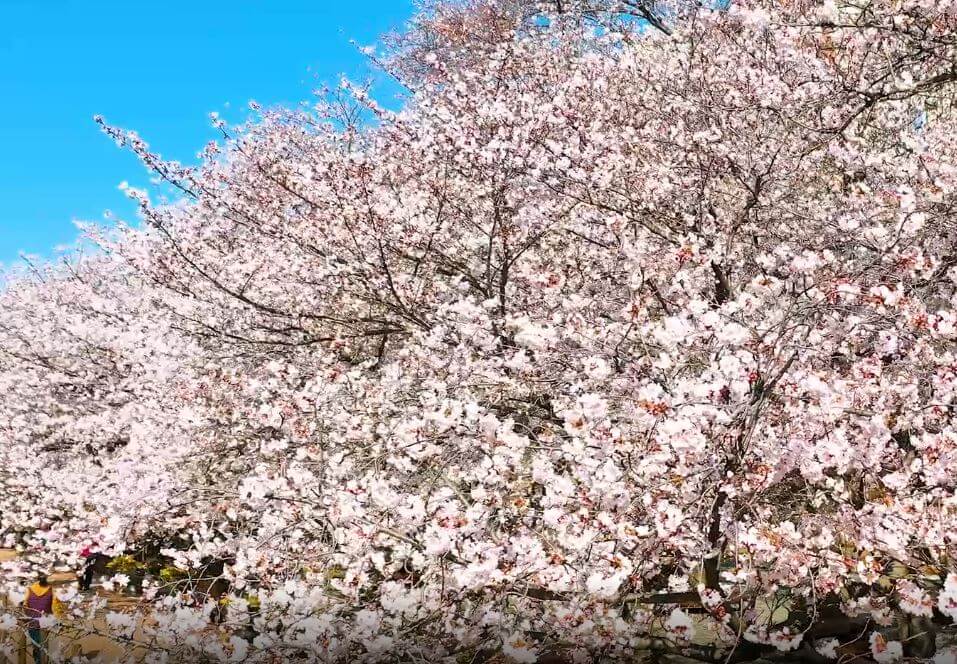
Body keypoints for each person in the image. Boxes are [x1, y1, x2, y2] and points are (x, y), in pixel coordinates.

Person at [22, 573, 64, 664]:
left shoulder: (29, 589)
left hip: (32, 623)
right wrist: (59, 619)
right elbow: (57, 607)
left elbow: (25, 606)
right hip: (47, 624)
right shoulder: (51, 590)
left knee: (36, 646)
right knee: (45, 647)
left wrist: (30, 616)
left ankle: (38, 661)